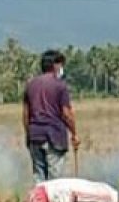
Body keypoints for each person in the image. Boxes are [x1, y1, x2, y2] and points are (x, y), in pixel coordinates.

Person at [23, 50, 80, 182]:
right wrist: (74, 134)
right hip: (54, 137)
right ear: (55, 65)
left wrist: (28, 135)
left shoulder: (30, 85)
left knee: (39, 179)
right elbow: (66, 114)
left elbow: (26, 115)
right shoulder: (60, 86)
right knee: (56, 182)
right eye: (60, 65)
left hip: (35, 136)